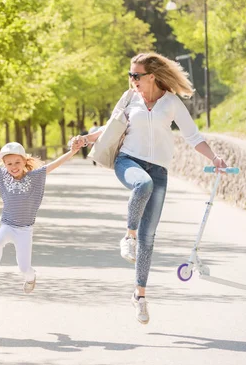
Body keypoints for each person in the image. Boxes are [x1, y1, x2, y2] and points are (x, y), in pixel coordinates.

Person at [72, 52, 227, 325]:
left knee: (150, 236)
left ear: (152, 76)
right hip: (128, 161)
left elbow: (192, 136)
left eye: (136, 75)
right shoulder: (130, 98)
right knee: (142, 184)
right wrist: (85, 138)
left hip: (159, 169)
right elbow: (111, 126)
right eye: (130, 75)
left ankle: (139, 296)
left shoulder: (171, 102)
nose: (132, 80)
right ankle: (127, 235)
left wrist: (214, 158)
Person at [0, 140, 81, 293]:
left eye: (17, 162)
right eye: (9, 163)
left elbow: (54, 164)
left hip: (25, 230)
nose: (13, 167)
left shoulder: (34, 176)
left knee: (24, 267)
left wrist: (72, 151)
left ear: (25, 161)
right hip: (7, 225)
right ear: (4, 165)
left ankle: (30, 277)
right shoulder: (2, 175)